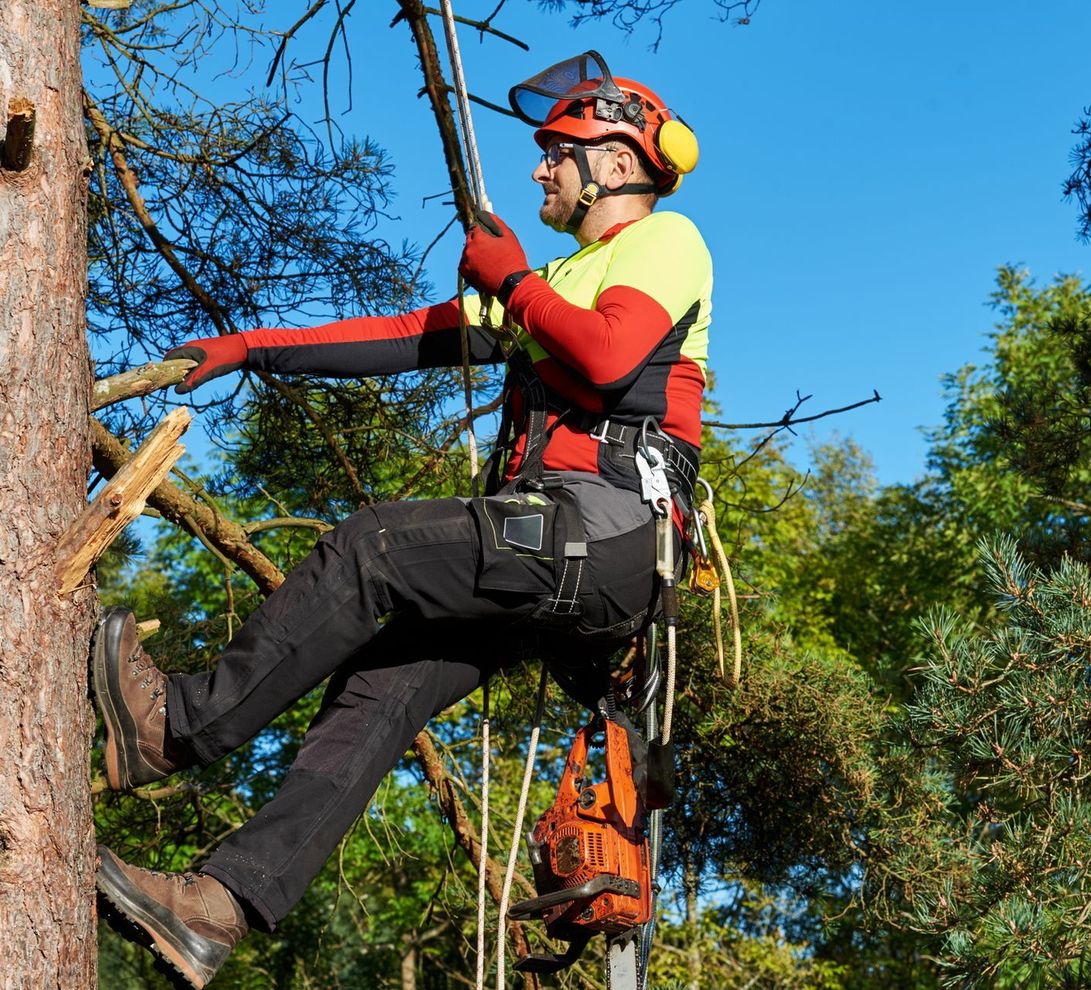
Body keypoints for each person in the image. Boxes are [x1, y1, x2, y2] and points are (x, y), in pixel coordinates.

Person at [92, 52, 710, 989]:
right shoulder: (562, 274)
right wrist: (253, 347)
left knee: (373, 545)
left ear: (616, 167)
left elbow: (611, 357)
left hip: (606, 534)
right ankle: (219, 908)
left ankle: (172, 729)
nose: (540, 169)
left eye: (557, 152)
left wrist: (511, 281)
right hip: (561, 546)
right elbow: (408, 336)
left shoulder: (663, 244)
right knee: (380, 692)